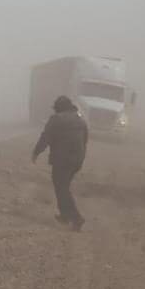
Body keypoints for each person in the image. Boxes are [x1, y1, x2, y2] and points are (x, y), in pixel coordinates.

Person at [32, 95, 89, 231]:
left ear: (58, 108)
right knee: (63, 186)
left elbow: (45, 137)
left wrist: (36, 152)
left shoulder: (56, 120)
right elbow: (85, 140)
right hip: (77, 160)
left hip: (62, 159)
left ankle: (76, 218)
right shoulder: (80, 120)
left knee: (61, 187)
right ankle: (65, 215)